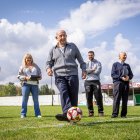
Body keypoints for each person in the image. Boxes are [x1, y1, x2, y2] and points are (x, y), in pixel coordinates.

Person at [46, 29, 86, 121]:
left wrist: (84, 70)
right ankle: (66, 113)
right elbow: (48, 62)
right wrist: (48, 69)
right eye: (60, 36)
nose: (63, 37)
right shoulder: (53, 50)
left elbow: (81, 61)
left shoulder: (73, 46)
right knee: (63, 92)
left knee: (73, 96)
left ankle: (74, 116)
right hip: (59, 75)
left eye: (64, 35)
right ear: (56, 37)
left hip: (73, 74)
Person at [17, 53, 42, 118]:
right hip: (26, 84)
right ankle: (23, 114)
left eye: (30, 59)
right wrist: (25, 77)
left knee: (36, 100)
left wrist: (39, 77)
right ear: (25, 59)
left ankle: (38, 114)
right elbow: (18, 76)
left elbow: (40, 74)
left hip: (35, 85)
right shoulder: (22, 66)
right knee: (24, 100)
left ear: (31, 59)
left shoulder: (35, 66)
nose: (29, 60)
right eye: (27, 59)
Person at [111, 52, 133, 118]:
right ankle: (115, 114)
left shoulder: (127, 65)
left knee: (125, 99)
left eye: (126, 55)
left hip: (126, 84)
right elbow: (113, 74)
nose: (125, 56)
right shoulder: (115, 64)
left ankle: (123, 114)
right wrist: (121, 78)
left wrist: (129, 77)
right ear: (119, 56)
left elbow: (131, 74)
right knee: (116, 99)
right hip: (118, 83)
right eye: (124, 55)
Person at [84, 51, 104, 117]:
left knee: (98, 97)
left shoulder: (98, 63)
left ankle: (100, 111)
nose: (90, 56)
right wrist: (92, 70)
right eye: (89, 55)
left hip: (96, 81)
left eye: (91, 55)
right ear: (88, 56)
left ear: (94, 55)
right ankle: (91, 112)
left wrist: (89, 71)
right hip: (87, 81)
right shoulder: (85, 63)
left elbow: (98, 72)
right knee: (89, 97)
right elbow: (85, 72)